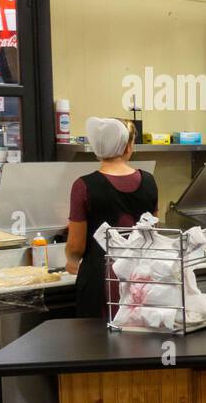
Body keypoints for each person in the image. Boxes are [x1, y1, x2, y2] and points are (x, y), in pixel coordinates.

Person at [65, 117, 159, 320]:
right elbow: (153, 235)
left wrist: (71, 261)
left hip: (101, 282)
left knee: (99, 345)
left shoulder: (83, 186)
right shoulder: (149, 181)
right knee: (139, 343)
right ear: (127, 146)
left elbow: (75, 247)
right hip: (141, 280)